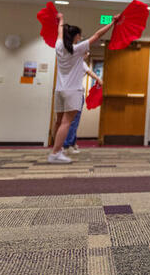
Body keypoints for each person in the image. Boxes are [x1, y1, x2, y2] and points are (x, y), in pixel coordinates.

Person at [49, 13, 117, 164]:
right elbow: (98, 34)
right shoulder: (77, 49)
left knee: (58, 122)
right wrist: (112, 23)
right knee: (67, 122)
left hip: (59, 90)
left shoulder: (59, 46)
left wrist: (60, 20)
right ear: (75, 36)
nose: (80, 38)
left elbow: (60, 31)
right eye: (79, 36)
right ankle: (55, 153)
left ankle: (56, 149)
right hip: (73, 91)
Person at [63, 54, 102, 154]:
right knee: (74, 120)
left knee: (70, 119)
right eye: (86, 52)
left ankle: (71, 143)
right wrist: (99, 79)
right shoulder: (81, 63)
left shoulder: (69, 62)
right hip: (77, 94)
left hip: (68, 94)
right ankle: (67, 145)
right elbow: (91, 73)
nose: (87, 54)